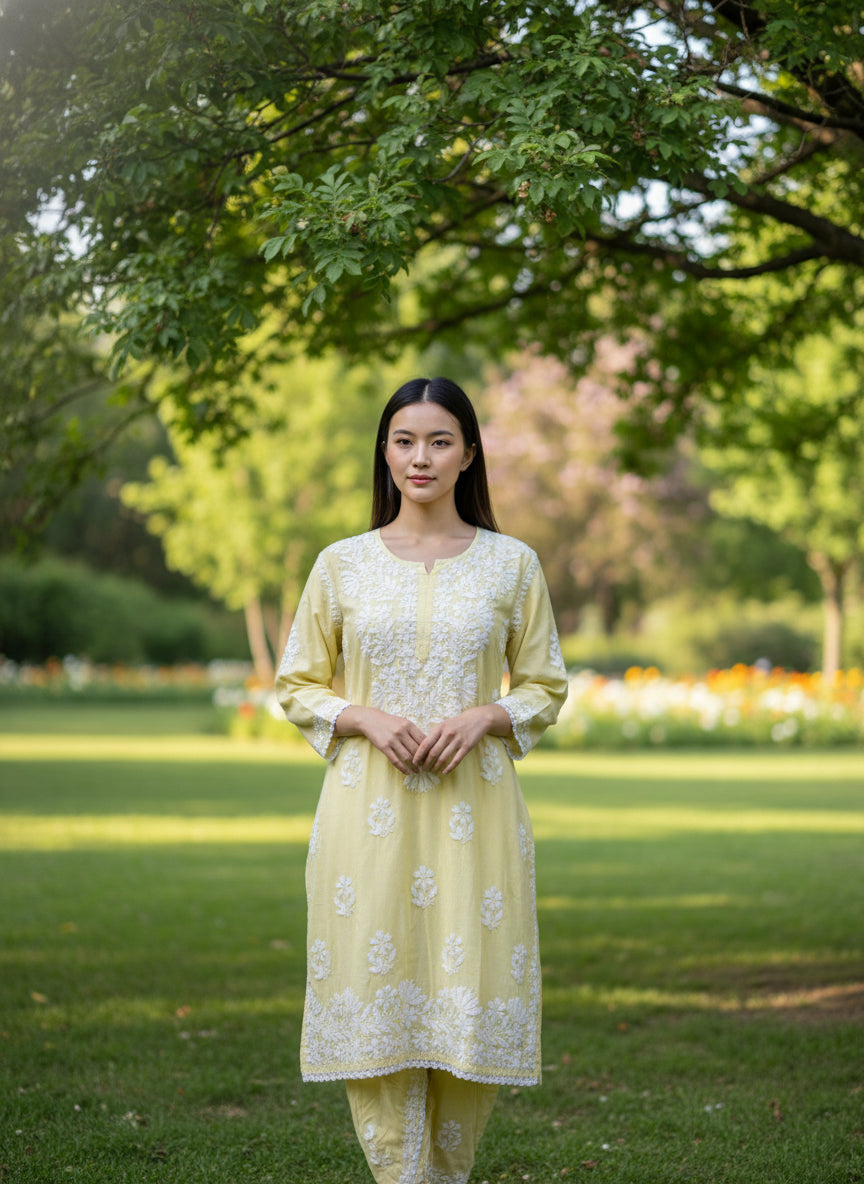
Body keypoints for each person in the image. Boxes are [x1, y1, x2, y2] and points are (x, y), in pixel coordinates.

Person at [276, 377, 568, 1184]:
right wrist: (366, 718)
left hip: (475, 812)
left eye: (440, 441)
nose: (421, 457)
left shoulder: (512, 565)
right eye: (404, 440)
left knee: (464, 998)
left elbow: (545, 684)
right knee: (376, 985)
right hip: (366, 814)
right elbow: (298, 682)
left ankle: (447, 1172)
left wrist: (485, 717)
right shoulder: (341, 565)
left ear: (470, 453)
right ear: (385, 452)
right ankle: (398, 1173)